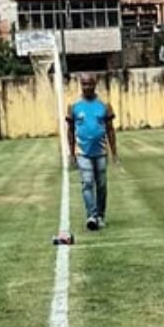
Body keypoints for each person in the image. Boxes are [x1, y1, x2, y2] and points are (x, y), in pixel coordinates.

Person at [66, 74, 117, 231]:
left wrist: (114, 153)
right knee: (87, 183)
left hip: (101, 152)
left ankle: (101, 215)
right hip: (83, 152)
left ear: (95, 84)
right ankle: (92, 215)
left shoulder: (104, 105)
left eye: (89, 84)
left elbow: (110, 129)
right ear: (81, 85)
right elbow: (70, 130)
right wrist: (72, 153)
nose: (87, 87)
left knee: (101, 185)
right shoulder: (74, 106)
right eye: (84, 84)